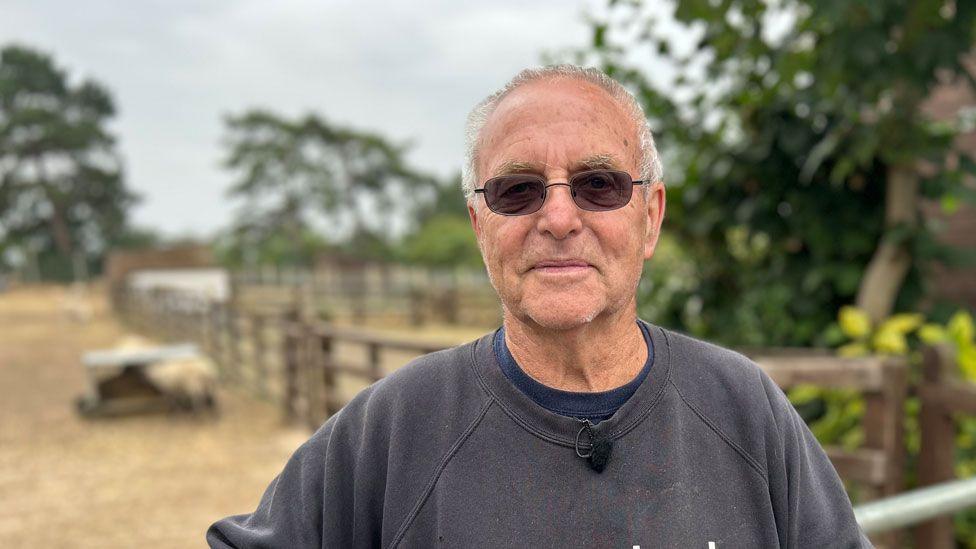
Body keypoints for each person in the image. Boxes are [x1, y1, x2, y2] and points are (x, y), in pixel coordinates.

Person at [208, 65, 870, 548]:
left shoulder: (743, 408)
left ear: (650, 215)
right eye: (517, 190)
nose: (558, 216)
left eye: (598, 184)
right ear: (479, 225)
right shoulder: (394, 428)